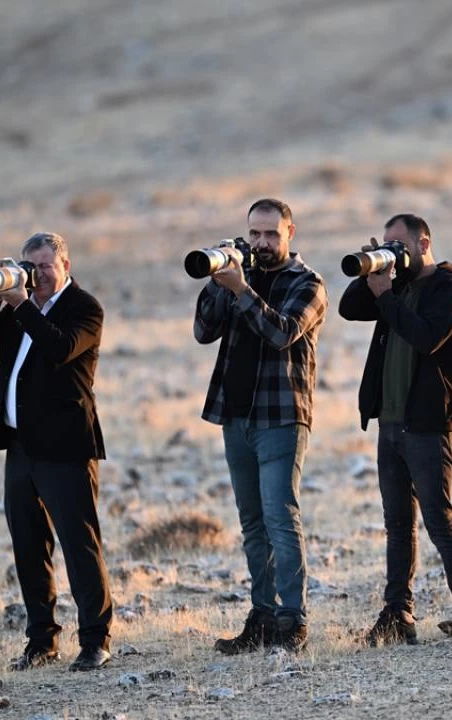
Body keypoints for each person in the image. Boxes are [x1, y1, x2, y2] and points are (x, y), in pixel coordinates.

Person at [0, 232, 114, 672]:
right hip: (21, 446)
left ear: (66, 264)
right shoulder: (17, 309)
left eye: (46, 265)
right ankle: (42, 641)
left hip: (66, 447)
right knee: (29, 547)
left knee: (79, 545)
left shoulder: (85, 308)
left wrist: (21, 303)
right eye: (32, 266)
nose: (39, 274)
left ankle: (95, 641)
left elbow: (59, 348)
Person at [339, 213, 452, 648]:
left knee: (439, 520)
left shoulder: (449, 286)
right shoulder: (395, 283)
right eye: (388, 243)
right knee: (398, 524)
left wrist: (386, 295)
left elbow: (427, 338)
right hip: (391, 422)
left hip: (429, 422)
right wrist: (372, 267)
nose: (395, 252)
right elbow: (349, 309)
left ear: (424, 243)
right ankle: (398, 614)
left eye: (399, 245)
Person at [194, 198, 327, 653]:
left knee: (280, 519)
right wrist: (220, 282)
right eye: (255, 234)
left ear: (291, 233)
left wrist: (243, 292)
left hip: (281, 418)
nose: (262, 243)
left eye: (271, 234)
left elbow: (282, 332)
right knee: (252, 523)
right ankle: (263, 616)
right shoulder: (238, 274)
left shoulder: (307, 283)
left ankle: (293, 621)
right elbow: (202, 331)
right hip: (236, 415)